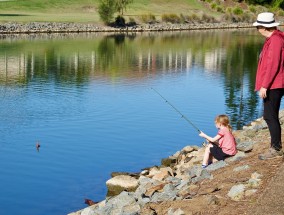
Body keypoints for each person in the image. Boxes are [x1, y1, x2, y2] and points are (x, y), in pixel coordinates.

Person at [253, 12, 284, 160]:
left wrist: (265, 85)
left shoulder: (276, 40)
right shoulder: (273, 38)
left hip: (274, 84)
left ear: (263, 27)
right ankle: (275, 146)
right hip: (274, 83)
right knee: (270, 115)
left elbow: (273, 65)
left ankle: (276, 148)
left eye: (257, 27)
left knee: (270, 116)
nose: (257, 30)